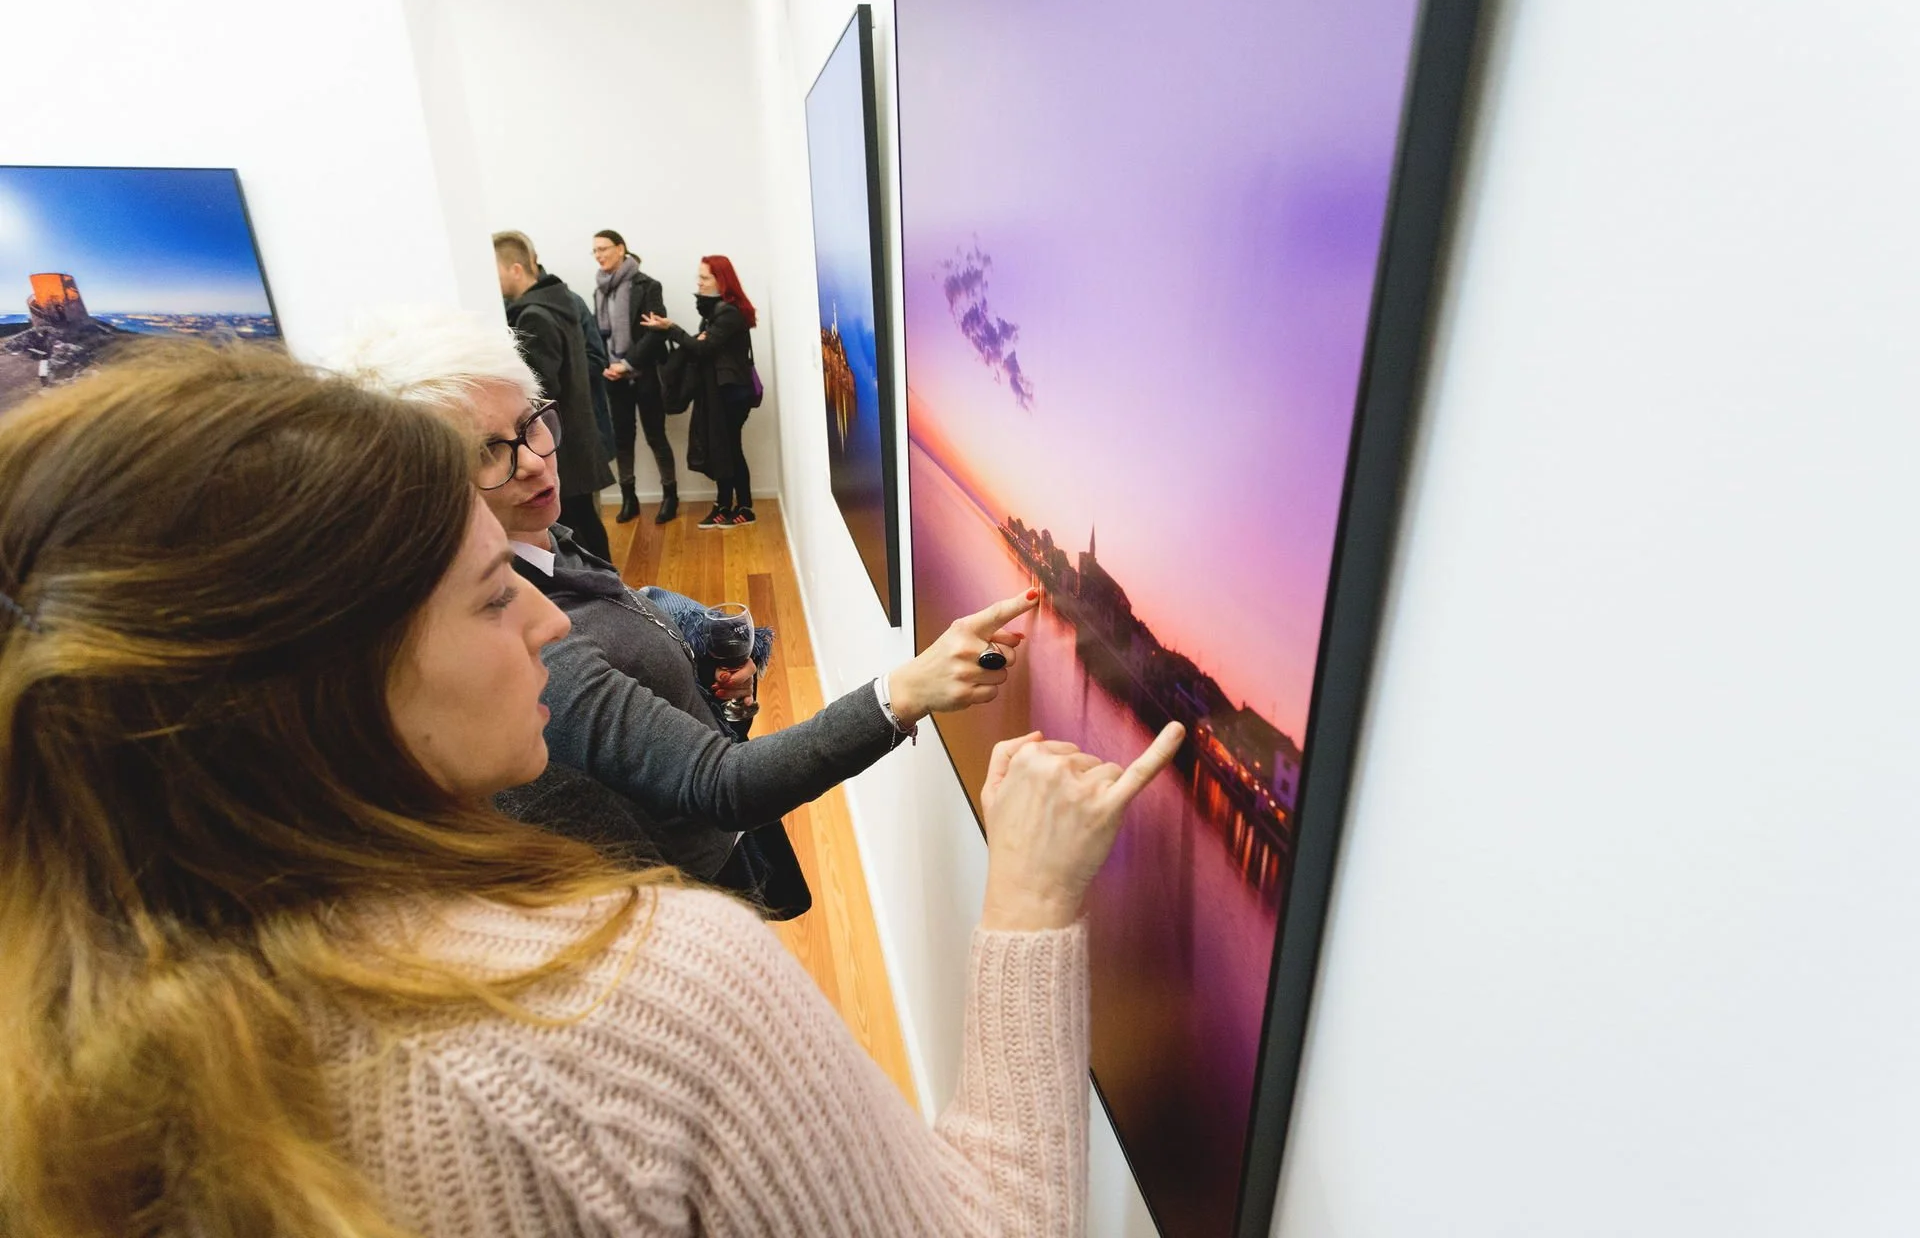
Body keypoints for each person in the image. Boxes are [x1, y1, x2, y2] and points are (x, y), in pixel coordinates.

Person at [0, 339, 1185, 1236]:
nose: (545, 614)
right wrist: (1030, 900)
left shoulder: (83, 1043)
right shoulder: (626, 1004)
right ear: (325, 687)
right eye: (485, 595)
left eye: (537, 429)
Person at [328, 309, 1039, 920]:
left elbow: (623, 628)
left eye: (531, 425)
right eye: (489, 452)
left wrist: (700, 682)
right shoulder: (523, 641)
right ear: (422, 487)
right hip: (683, 886)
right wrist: (905, 692)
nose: (537, 464)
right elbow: (722, 784)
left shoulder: (543, 539)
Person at [494, 230, 615, 560]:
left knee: (577, 533)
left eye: (497, 270)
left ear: (516, 269)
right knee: (586, 525)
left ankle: (608, 595)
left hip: (562, 442)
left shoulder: (534, 315)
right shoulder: (559, 302)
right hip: (576, 437)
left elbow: (539, 392)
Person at [645, 254, 757, 529]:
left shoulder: (728, 313)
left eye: (705, 278)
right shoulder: (715, 313)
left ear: (722, 280)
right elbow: (701, 346)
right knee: (723, 449)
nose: (700, 283)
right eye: (700, 277)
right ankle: (724, 505)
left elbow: (704, 349)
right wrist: (696, 339)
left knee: (729, 449)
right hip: (721, 392)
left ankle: (743, 508)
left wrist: (673, 328)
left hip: (732, 393)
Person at [499, 228, 618, 458]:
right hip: (561, 433)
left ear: (519, 267)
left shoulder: (556, 306)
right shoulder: (513, 308)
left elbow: (594, 358)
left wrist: (571, 379)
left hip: (568, 432)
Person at [591, 229, 679, 525]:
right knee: (622, 438)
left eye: (604, 248)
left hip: (645, 374)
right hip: (614, 376)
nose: (599, 255)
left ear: (621, 249)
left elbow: (656, 332)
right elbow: (599, 335)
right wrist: (606, 364)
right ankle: (629, 498)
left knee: (656, 435)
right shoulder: (600, 289)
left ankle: (670, 496)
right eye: (595, 251)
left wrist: (627, 363)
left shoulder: (647, 286)